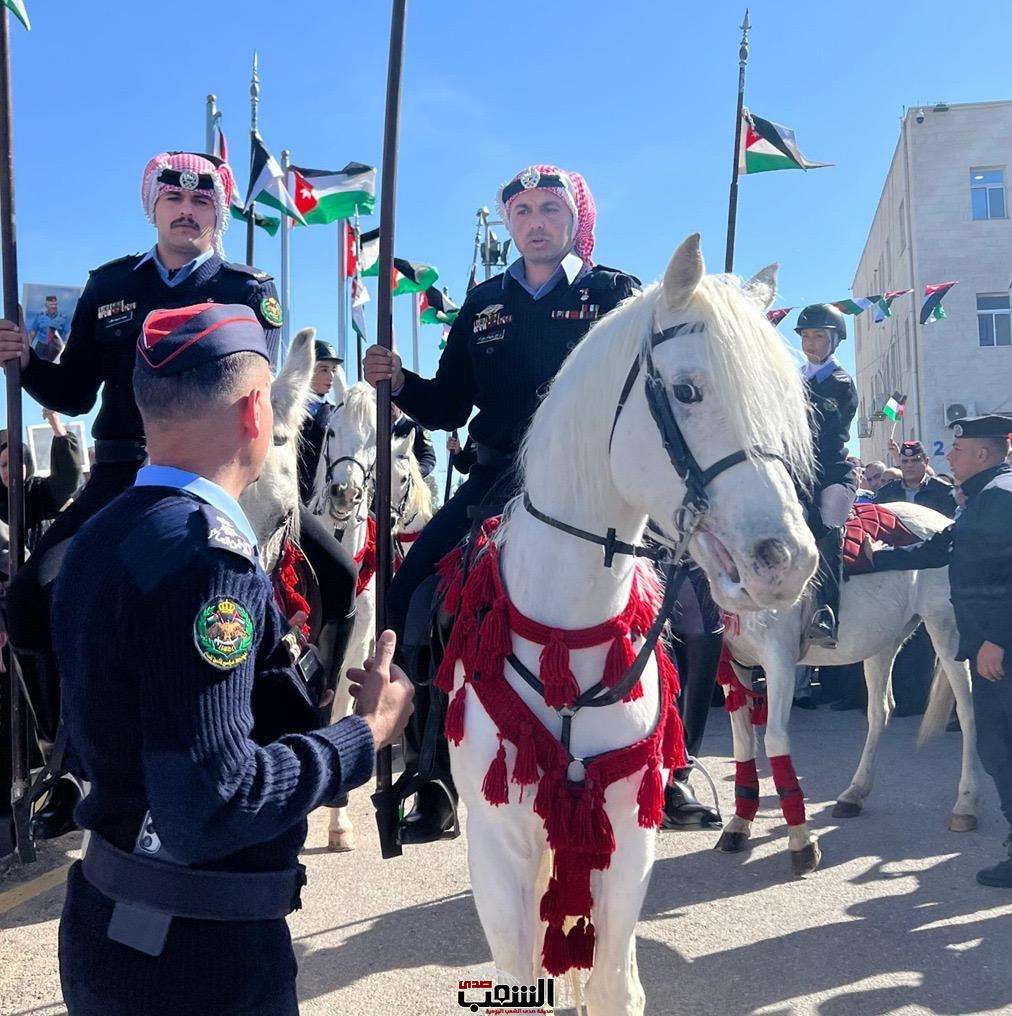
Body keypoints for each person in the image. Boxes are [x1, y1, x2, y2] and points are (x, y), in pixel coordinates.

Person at [53, 302, 413, 1015]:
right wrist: (365, 734)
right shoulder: (210, 561)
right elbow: (213, 803)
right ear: (255, 410)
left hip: (107, 927)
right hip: (199, 964)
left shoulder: (97, 535)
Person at [0, 152, 288, 837]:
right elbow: (74, 393)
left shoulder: (248, 290)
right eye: (173, 199)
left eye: (202, 201)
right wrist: (26, 362)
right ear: (152, 207)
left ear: (219, 214)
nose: (187, 211)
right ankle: (72, 756)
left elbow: (259, 389)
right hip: (119, 472)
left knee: (290, 590)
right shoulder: (110, 286)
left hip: (211, 474)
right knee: (30, 595)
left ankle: (268, 738)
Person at [364, 163, 640, 843]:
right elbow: (448, 405)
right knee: (409, 596)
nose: (535, 223)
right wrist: (400, 380)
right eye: (522, 212)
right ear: (509, 223)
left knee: (675, 595)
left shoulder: (615, 293)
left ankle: (673, 760)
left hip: (591, 485)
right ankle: (432, 776)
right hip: (494, 480)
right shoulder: (484, 302)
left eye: (550, 209)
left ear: (575, 219)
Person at [861, 414, 1012, 887]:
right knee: (996, 745)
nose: (950, 457)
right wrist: (871, 560)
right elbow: (940, 549)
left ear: (983, 454)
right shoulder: (983, 496)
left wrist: (998, 640)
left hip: (1000, 647)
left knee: (1003, 745)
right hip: (989, 644)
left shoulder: (1001, 498)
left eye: (958, 450)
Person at [795, 304, 860, 647]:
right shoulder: (794, 378)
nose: (811, 343)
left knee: (825, 526)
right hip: (797, 472)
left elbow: (823, 433)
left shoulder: (840, 383)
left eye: (819, 336)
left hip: (831, 473)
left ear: (835, 340)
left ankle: (825, 611)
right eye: (806, 336)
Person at [297, 339, 343, 504]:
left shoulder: (335, 414)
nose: (331, 376)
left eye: (333, 370)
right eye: (324, 369)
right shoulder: (288, 408)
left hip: (319, 500)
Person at [876, 440, 957, 517]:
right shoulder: (886, 493)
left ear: (926, 462)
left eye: (915, 460)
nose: (909, 465)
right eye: (905, 461)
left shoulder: (944, 491)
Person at [27, 295, 70, 362]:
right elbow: (33, 332)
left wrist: (67, 347)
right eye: (51, 304)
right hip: (41, 346)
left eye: (55, 304)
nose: (54, 307)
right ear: (46, 305)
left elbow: (68, 333)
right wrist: (29, 347)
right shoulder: (40, 317)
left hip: (56, 347)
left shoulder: (63, 318)